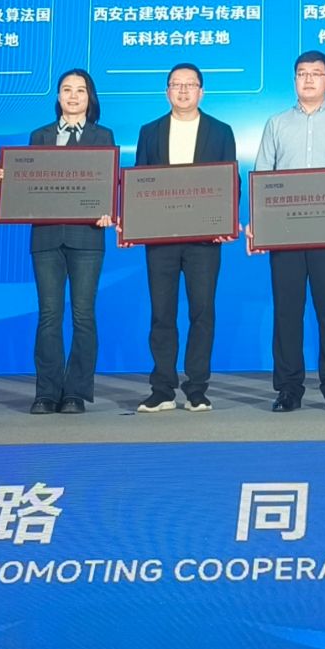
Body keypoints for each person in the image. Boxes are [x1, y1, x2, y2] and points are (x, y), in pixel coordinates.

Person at [0, 68, 113, 416]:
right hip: (46, 236)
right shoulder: (40, 135)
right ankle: (46, 392)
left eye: (80, 90)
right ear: (58, 96)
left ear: (90, 97)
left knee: (83, 315)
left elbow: (108, 184)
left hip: (87, 237)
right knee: (49, 315)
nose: (73, 96)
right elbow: (30, 184)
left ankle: (75, 392)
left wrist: (108, 210)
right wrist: (8, 178)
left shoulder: (102, 136)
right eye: (66, 89)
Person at [253, 50, 325, 413]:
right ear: (294, 80)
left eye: (316, 73)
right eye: (302, 73)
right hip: (285, 235)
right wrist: (259, 226)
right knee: (287, 313)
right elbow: (263, 177)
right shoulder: (276, 123)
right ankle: (288, 389)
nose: (309, 79)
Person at [131, 62, 237, 414]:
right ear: (167, 92)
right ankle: (162, 389)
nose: (183, 90)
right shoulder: (150, 131)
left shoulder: (221, 131)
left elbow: (230, 181)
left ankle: (196, 389)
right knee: (162, 313)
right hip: (160, 238)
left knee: (202, 313)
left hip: (204, 240)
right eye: (176, 84)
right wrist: (135, 223)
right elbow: (139, 183)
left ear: (201, 92)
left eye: (190, 84)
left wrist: (225, 221)